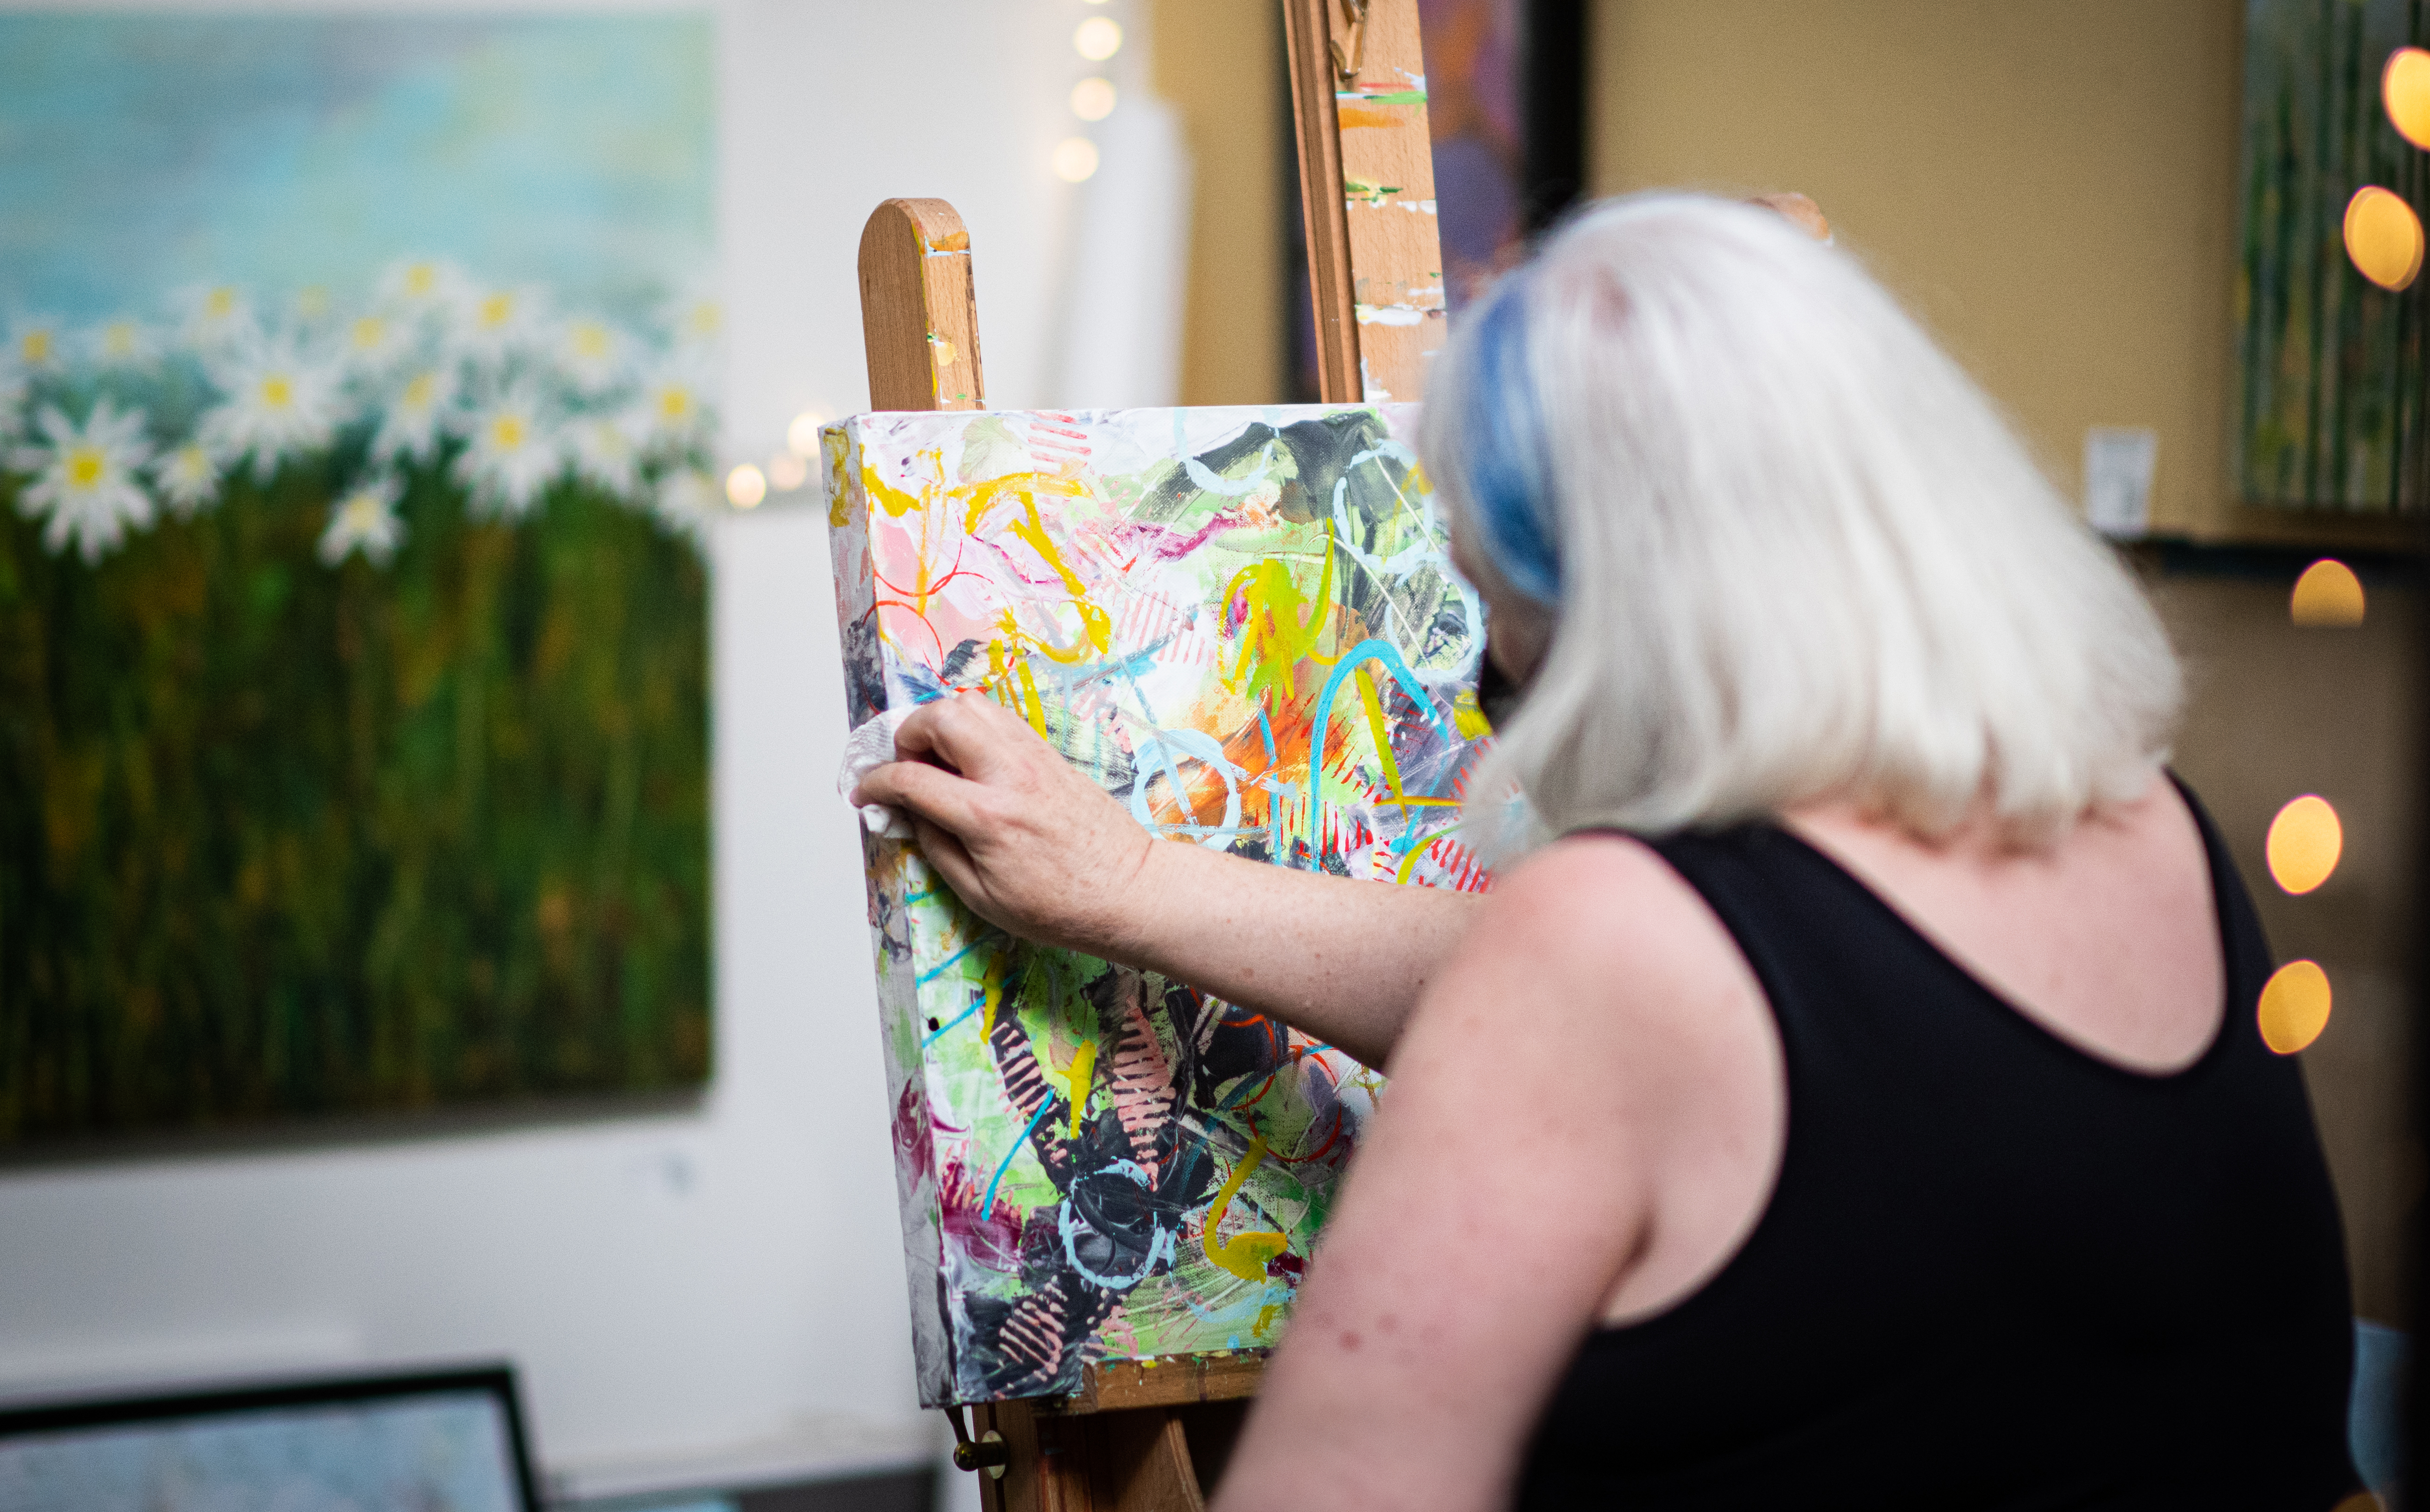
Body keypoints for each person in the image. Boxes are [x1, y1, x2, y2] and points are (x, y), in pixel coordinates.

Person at [853, 194, 2361, 1510]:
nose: (1481, 684)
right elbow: (1750, 1030)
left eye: (1493, 610)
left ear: (1614, 621)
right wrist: (1131, 885)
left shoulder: (1616, 946)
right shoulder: (2146, 821)